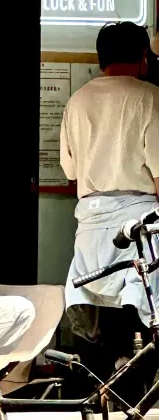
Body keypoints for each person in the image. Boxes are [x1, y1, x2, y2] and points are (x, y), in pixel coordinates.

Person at [60, 22, 159, 381]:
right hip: (140, 226)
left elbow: (70, 170)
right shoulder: (149, 98)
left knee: (96, 324)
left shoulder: (78, 100)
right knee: (143, 331)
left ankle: (95, 410)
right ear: (143, 56)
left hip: (89, 225)